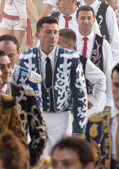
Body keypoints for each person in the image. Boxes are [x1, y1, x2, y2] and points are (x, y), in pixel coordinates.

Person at [15, 17, 89, 147]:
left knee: (61, 159)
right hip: (34, 117)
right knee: (34, 161)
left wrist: (78, 130)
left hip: (62, 117)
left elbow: (80, 93)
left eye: (55, 32)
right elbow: (19, 94)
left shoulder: (71, 57)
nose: (53, 36)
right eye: (48, 32)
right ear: (38, 35)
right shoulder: (26, 57)